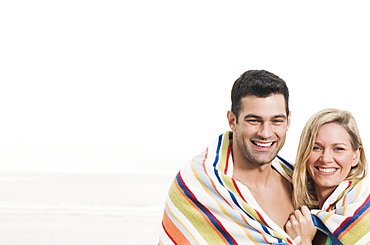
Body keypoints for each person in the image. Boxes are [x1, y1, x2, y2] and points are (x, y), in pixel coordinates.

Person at [159, 70, 300, 244]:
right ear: (232, 120)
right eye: (254, 120)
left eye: (276, 121)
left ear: (288, 121)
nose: (266, 133)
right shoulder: (198, 186)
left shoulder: (302, 183)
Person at [286, 108, 370, 245]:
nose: (325, 159)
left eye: (338, 149)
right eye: (316, 148)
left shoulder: (363, 211)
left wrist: (305, 241)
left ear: (356, 155)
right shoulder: (304, 210)